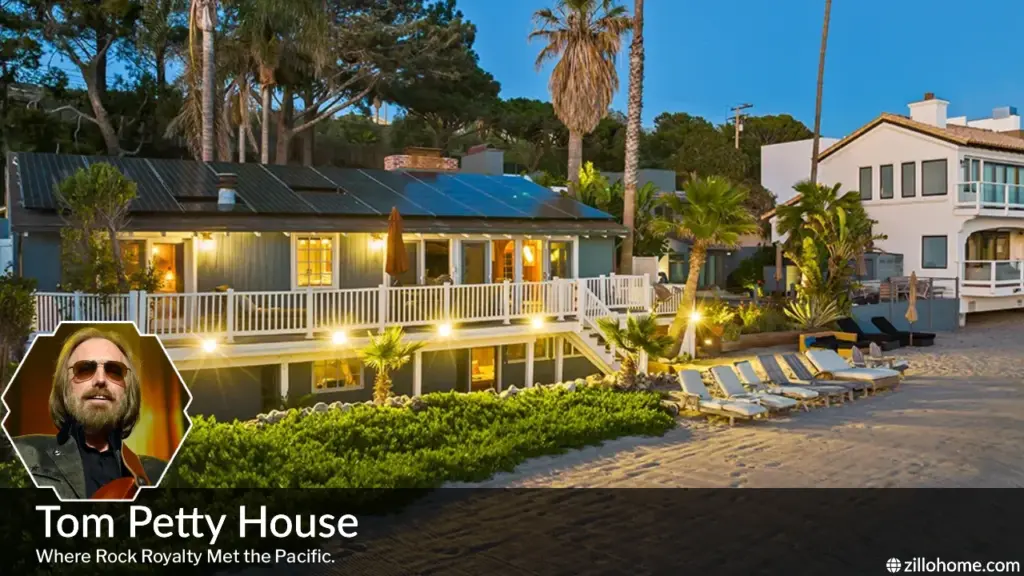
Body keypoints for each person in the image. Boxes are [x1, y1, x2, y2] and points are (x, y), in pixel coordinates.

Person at [12, 327, 166, 499]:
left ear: (128, 390)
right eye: (84, 368)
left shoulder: (160, 473)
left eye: (114, 370)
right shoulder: (20, 452)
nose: (100, 380)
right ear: (64, 386)